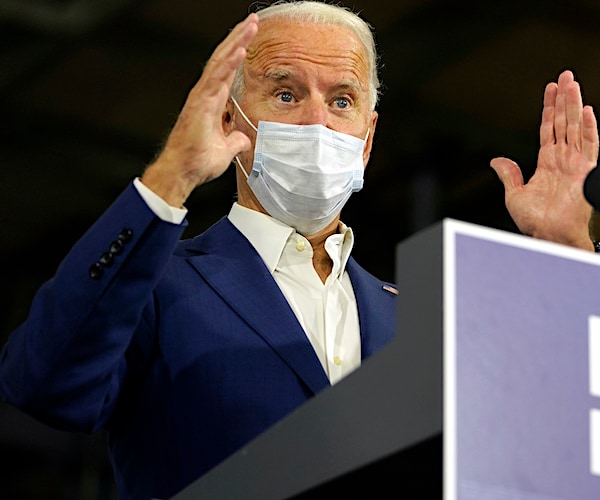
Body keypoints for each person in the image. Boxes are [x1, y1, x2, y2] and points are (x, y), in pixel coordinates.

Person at [0, 1, 597, 499]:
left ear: (367, 139)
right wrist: (170, 177)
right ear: (230, 120)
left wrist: (568, 253)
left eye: (342, 101)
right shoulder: (158, 284)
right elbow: (44, 384)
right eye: (285, 94)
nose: (317, 121)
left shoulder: (426, 319)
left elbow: (549, 456)